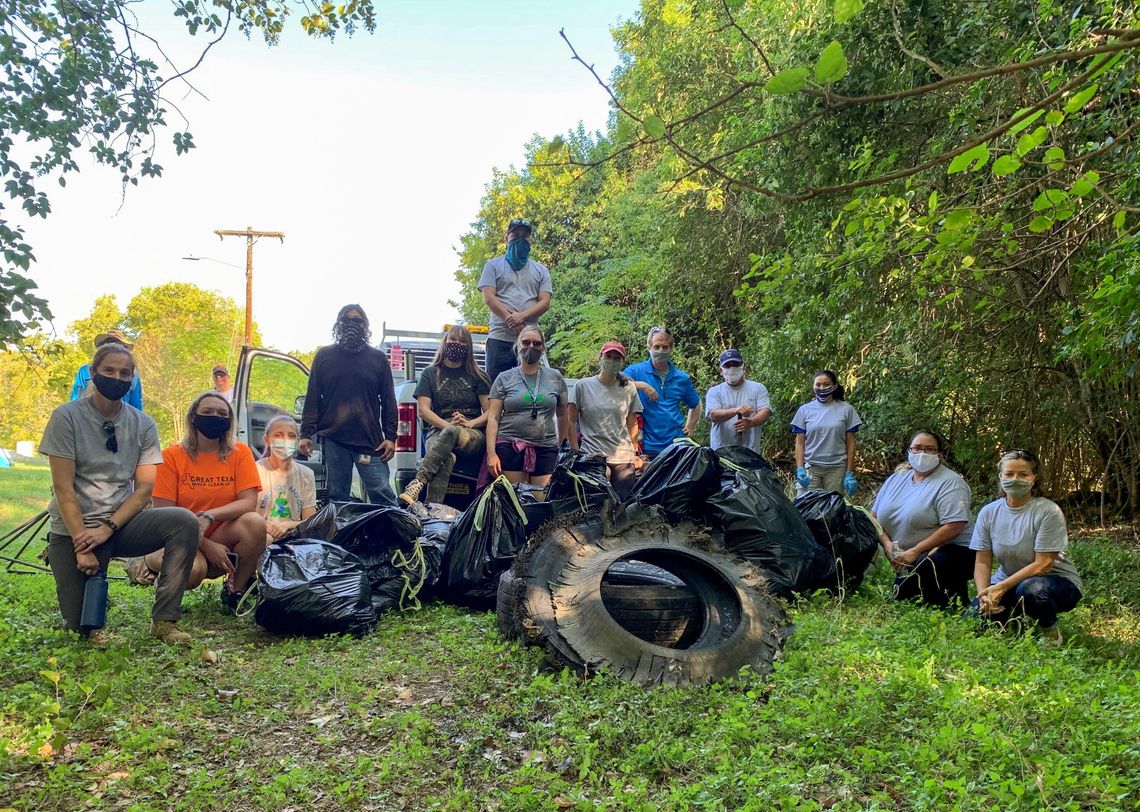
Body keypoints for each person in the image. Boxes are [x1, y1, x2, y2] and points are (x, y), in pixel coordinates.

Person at [40, 342, 198, 644]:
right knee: (81, 628)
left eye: (125, 373)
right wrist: (82, 544)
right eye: (109, 370)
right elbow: (63, 489)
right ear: (93, 372)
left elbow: (144, 490)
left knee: (183, 521)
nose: (117, 377)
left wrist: (107, 528)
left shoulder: (144, 424)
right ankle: (87, 605)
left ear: (132, 379)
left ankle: (164, 621)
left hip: (121, 524)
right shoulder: (65, 418)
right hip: (74, 529)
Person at [150, 392, 267, 612]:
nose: (215, 417)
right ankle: (159, 578)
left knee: (255, 523)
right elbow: (164, 514)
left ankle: (235, 592)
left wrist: (209, 515)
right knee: (195, 571)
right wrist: (205, 543)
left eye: (222, 414)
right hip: (179, 537)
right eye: (208, 412)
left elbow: (248, 502)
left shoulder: (240, 453)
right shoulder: (171, 456)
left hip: (222, 534)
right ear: (193, 418)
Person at [969, 449, 1083, 644]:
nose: (1015, 479)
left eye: (1023, 474)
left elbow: (1042, 565)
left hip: (1055, 582)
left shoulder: (1048, 511)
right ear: (1000, 477)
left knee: (1031, 590)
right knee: (974, 619)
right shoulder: (989, 512)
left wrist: (1001, 588)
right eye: (1009, 474)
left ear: (1034, 478)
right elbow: (982, 561)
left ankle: (1050, 633)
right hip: (1009, 581)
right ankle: (1019, 617)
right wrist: (985, 593)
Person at [299, 305, 398, 506]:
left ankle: (395, 527)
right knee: (337, 499)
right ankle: (340, 528)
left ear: (365, 326)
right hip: (334, 439)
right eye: (346, 319)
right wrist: (305, 433)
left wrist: (391, 437)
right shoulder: (324, 356)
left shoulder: (377, 358)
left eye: (357, 320)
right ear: (338, 324)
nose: (351, 324)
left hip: (369, 441)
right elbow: (312, 397)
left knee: (383, 495)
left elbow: (389, 400)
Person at [872, 430, 975, 608]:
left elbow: (954, 526)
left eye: (929, 449)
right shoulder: (897, 478)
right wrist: (888, 545)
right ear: (909, 451)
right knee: (903, 594)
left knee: (926, 573)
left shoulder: (951, 483)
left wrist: (915, 551)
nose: (922, 454)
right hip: (908, 552)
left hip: (953, 550)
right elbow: (873, 517)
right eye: (917, 448)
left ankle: (954, 600)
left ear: (940, 455)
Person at [399, 326, 491, 506]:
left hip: (471, 435)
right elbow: (423, 410)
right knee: (446, 458)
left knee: (452, 432)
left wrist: (470, 423)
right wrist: (448, 425)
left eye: (462, 341)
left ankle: (418, 482)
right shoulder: (429, 373)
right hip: (438, 431)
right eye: (453, 339)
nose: (457, 344)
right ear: (445, 342)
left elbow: (490, 412)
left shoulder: (478, 375)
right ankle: (434, 511)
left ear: (469, 346)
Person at [485, 325, 568, 486]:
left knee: (541, 498)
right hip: (510, 445)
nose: (531, 347)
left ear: (543, 348)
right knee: (516, 497)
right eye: (526, 342)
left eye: (536, 343)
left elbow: (563, 415)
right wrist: (491, 454)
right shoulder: (504, 378)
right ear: (518, 345)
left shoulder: (555, 377)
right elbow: (493, 418)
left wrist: (563, 449)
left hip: (546, 447)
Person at [478, 218, 553, 383]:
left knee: (530, 388)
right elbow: (488, 297)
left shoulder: (541, 270)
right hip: (499, 338)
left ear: (530, 240)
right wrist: (510, 319)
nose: (520, 239)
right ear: (506, 238)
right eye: (515, 235)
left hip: (530, 342)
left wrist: (522, 317)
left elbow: (545, 301)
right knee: (496, 388)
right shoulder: (492, 266)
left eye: (524, 236)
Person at [568, 340, 644, 499]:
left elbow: (632, 422)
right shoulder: (583, 386)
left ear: (622, 362)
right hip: (592, 454)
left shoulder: (629, 388)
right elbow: (570, 420)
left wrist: (635, 452)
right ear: (600, 358)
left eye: (617, 358)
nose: (612, 361)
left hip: (623, 456)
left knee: (624, 503)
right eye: (608, 356)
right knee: (596, 503)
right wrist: (575, 452)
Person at [622, 327, 701, 459]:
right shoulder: (636, 371)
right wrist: (642, 386)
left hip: (677, 445)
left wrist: (690, 427)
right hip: (648, 446)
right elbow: (616, 383)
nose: (660, 350)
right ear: (649, 347)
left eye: (665, 347)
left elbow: (696, 404)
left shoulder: (681, 378)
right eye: (656, 346)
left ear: (671, 348)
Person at [791, 370, 862, 496]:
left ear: (834, 386)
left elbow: (851, 443)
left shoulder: (847, 410)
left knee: (833, 506)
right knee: (806, 505)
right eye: (818, 385)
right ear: (813, 386)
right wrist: (800, 468)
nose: (822, 388)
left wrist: (849, 472)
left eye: (826, 384)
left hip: (837, 468)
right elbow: (800, 443)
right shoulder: (804, 410)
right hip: (811, 467)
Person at [257, 414, 317, 542]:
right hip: (260, 536)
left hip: (293, 539)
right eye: (278, 435)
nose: (285, 440)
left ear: (298, 441)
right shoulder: (255, 470)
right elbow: (246, 516)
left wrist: (287, 524)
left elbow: (310, 521)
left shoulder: (306, 474)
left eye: (291, 436)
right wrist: (267, 527)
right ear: (267, 440)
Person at [705, 349, 772, 453]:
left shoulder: (758, 388)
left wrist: (751, 422)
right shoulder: (714, 392)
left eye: (735, 364)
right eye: (727, 366)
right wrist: (736, 410)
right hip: (721, 453)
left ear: (743, 366)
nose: (732, 368)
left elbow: (765, 412)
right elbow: (713, 415)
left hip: (750, 453)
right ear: (721, 371)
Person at [70, 329, 143, 410]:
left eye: (117, 344)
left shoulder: (133, 375)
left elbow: (136, 406)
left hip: (121, 417)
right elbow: (75, 401)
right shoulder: (84, 371)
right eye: (109, 343)